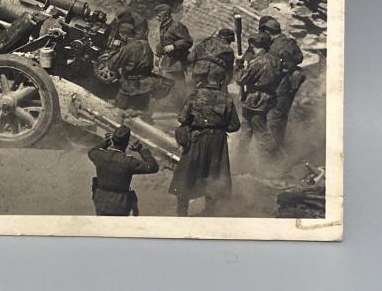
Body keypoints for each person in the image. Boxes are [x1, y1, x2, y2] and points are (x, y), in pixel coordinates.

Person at [169, 68, 241, 216]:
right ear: (222, 81)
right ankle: (209, 211)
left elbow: (182, 117)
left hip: (196, 139)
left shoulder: (195, 94)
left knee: (187, 172)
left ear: (208, 79)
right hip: (217, 142)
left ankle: (182, 211)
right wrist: (219, 127)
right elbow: (235, 125)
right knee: (214, 174)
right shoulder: (226, 99)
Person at [88, 125, 159, 216]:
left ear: (112, 140)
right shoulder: (128, 161)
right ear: (126, 143)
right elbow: (153, 167)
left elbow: (91, 151)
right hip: (120, 203)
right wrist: (140, 149)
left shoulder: (99, 155)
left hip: (100, 201)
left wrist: (103, 144)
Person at [262, 18, 305, 148]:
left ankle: (274, 150)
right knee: (282, 116)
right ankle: (279, 143)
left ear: (267, 31)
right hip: (292, 84)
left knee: (274, 118)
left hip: (281, 86)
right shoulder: (290, 42)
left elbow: (270, 70)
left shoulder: (274, 47)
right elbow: (299, 58)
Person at [236, 32, 282, 156]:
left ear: (253, 45)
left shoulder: (258, 61)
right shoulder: (275, 59)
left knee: (259, 133)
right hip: (266, 98)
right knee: (246, 130)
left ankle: (278, 159)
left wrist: (239, 65)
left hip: (255, 100)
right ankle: (241, 158)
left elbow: (241, 79)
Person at [107, 23, 155, 113]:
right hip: (145, 88)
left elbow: (112, 65)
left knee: (120, 113)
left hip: (129, 89)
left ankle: (121, 106)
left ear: (123, 35)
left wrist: (114, 49)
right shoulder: (146, 44)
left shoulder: (129, 48)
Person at [155, 4, 193, 103]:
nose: (157, 18)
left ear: (166, 16)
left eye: (159, 16)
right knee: (167, 83)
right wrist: (158, 54)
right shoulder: (164, 26)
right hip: (168, 61)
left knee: (178, 84)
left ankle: (180, 104)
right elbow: (163, 42)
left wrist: (174, 46)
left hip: (177, 61)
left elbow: (188, 41)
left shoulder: (177, 26)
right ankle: (169, 103)